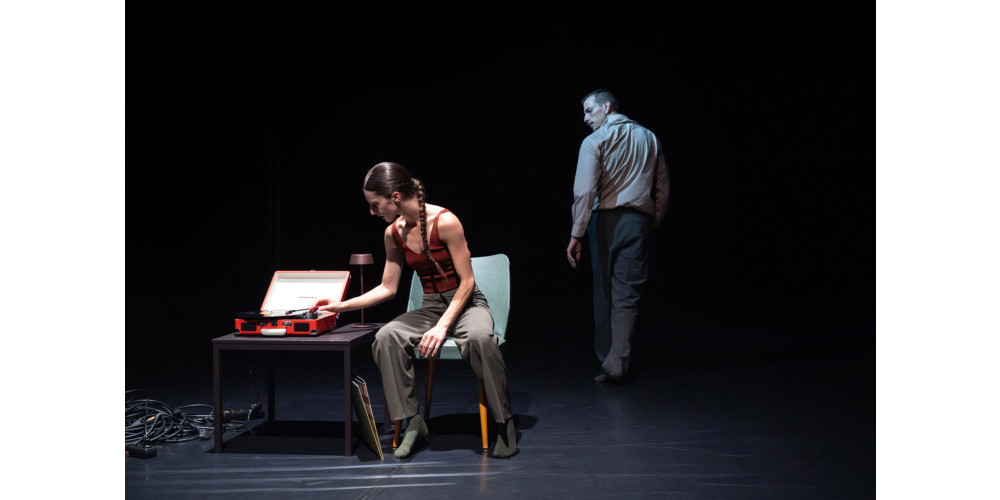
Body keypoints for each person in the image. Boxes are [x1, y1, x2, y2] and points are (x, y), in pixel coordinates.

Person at [310, 162, 516, 458]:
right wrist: (341, 305)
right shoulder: (392, 233)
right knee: (386, 337)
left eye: (375, 204)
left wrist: (442, 327)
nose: (372, 212)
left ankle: (504, 423)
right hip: (430, 306)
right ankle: (413, 421)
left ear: (395, 197)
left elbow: (468, 282)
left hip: (467, 303)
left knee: (480, 339)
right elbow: (388, 288)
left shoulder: (445, 221)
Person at [566, 90, 669, 384]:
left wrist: (576, 232)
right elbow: (662, 189)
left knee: (604, 293)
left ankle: (607, 361)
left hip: (605, 223)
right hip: (638, 222)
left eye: (589, 111)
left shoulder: (594, 141)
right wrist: (649, 221)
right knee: (627, 295)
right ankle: (618, 363)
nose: (585, 119)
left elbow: (585, 191)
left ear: (606, 107)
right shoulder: (650, 138)